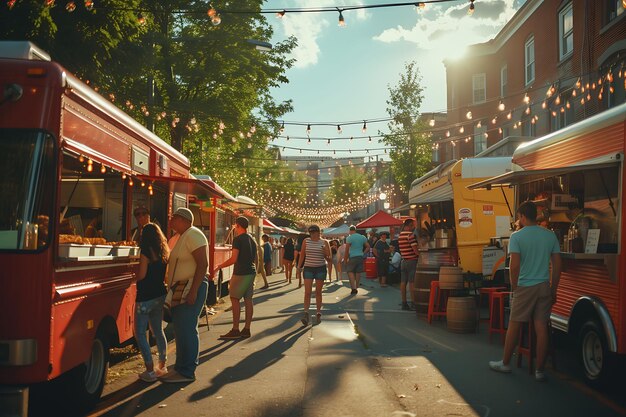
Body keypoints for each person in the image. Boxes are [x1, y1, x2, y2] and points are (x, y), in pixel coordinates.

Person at [489, 201, 561, 381]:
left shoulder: (517, 237)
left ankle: (505, 363)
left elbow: (514, 266)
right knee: (541, 327)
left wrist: (514, 288)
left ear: (522, 216)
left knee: (515, 323)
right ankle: (540, 370)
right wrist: (554, 288)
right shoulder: (549, 236)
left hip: (525, 286)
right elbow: (557, 264)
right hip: (544, 285)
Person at [159, 208, 209, 383]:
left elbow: (203, 264)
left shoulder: (194, 235)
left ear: (183, 219)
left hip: (189, 286)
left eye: (174, 218)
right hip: (181, 287)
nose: (171, 221)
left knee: (187, 329)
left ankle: (187, 371)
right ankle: (180, 368)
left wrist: (194, 290)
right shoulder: (184, 236)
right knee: (181, 329)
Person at [135, 223, 169, 383]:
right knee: (158, 330)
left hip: (145, 297)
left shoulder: (145, 252)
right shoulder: (163, 251)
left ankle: (149, 370)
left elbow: (141, 275)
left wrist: (134, 278)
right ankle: (162, 366)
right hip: (160, 295)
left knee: (140, 332)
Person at [215, 216, 258, 339]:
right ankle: (247, 329)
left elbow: (234, 259)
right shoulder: (252, 239)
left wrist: (219, 266)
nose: (234, 228)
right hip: (251, 272)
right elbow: (256, 258)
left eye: (235, 226)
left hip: (240, 273)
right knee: (248, 300)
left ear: (238, 226)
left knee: (234, 299)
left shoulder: (238, 240)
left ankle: (235, 329)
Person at [297, 224, 331, 326]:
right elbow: (302, 254)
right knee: (307, 292)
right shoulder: (306, 241)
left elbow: (329, 258)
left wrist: (325, 252)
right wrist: (299, 267)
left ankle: (318, 312)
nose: (312, 235)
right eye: (310, 233)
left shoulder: (324, 242)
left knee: (318, 292)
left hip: (320, 268)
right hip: (308, 268)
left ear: (318, 232)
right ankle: (306, 313)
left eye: (314, 232)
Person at [398, 218, 419, 310]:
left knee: (403, 282)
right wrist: (420, 254)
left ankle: (404, 302)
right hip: (412, 261)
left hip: (403, 261)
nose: (414, 227)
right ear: (409, 225)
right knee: (412, 282)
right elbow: (415, 250)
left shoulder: (400, 235)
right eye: (413, 225)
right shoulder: (410, 235)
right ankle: (414, 303)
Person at [343, 225, 369, 295]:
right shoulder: (362, 237)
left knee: (350, 271)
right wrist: (363, 253)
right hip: (360, 257)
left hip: (352, 257)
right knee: (358, 272)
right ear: (355, 230)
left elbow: (347, 250)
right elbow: (368, 247)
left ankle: (353, 288)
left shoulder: (349, 238)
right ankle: (357, 286)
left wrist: (345, 259)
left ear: (350, 231)